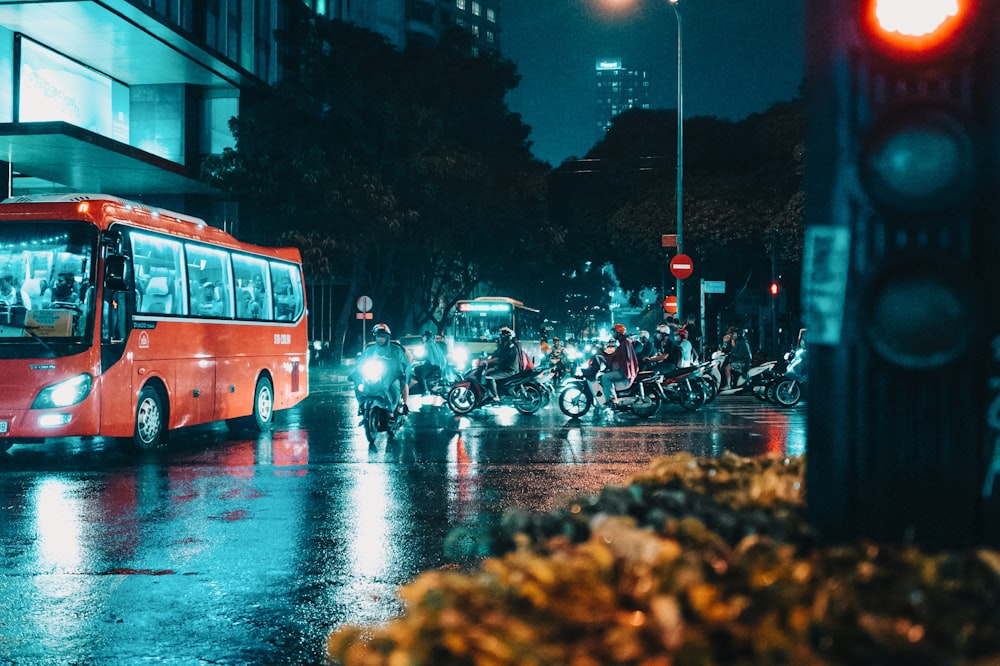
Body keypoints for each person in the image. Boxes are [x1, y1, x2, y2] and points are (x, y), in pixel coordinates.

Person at [357, 322, 412, 417]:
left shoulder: (396, 349)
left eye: (382, 336)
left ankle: (400, 407)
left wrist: (402, 370)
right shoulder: (370, 350)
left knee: (396, 386)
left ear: (387, 337)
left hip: (392, 376)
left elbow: (405, 363)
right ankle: (361, 405)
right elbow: (361, 362)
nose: (380, 338)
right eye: (378, 336)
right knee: (361, 385)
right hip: (376, 374)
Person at [599, 323, 639, 407]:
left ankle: (612, 399)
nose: (613, 334)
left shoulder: (624, 343)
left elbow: (618, 356)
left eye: (614, 332)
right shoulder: (624, 343)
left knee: (605, 377)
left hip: (625, 371)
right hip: (625, 370)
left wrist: (604, 356)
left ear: (618, 333)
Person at [483, 326, 523, 402]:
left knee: (489, 377)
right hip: (504, 367)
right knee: (488, 371)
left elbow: (500, 358)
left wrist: (487, 362)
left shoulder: (509, 346)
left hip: (509, 369)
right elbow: (496, 354)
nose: (499, 338)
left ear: (504, 337)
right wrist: (487, 357)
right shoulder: (504, 345)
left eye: (500, 336)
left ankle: (495, 396)